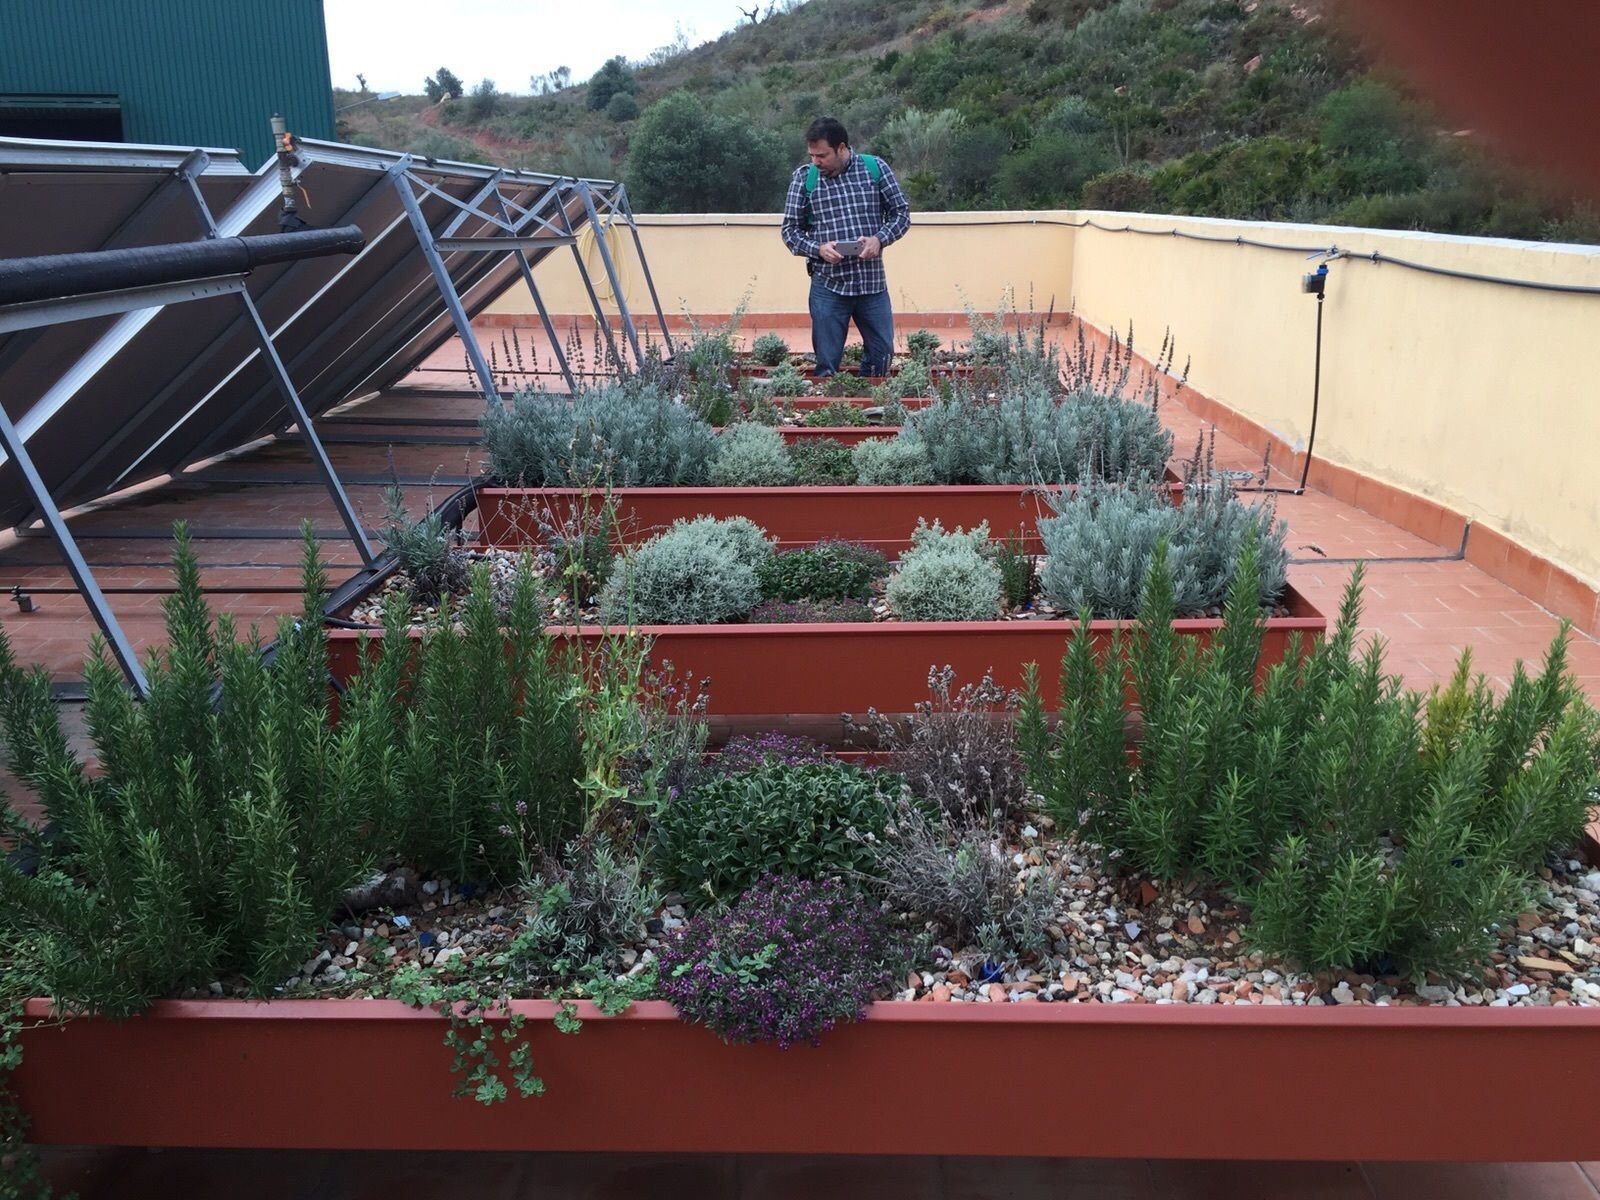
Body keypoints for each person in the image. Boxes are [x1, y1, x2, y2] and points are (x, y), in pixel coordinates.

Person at [780, 116, 912, 379]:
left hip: (872, 284)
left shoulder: (875, 169)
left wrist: (879, 239)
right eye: (812, 155)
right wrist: (818, 249)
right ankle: (831, 403)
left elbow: (901, 213)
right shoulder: (805, 179)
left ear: (842, 148)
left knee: (882, 357)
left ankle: (870, 400)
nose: (816, 162)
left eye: (822, 155)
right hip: (828, 286)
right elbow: (789, 231)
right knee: (827, 365)